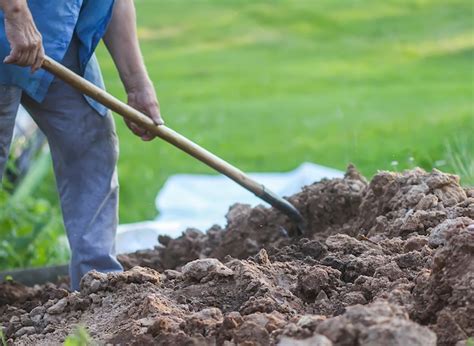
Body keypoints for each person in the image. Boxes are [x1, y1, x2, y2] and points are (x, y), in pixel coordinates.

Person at [0, 0, 163, 291]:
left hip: (55, 31)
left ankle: (98, 287)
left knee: (91, 142)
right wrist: (15, 13)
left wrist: (137, 84)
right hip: (11, 20)